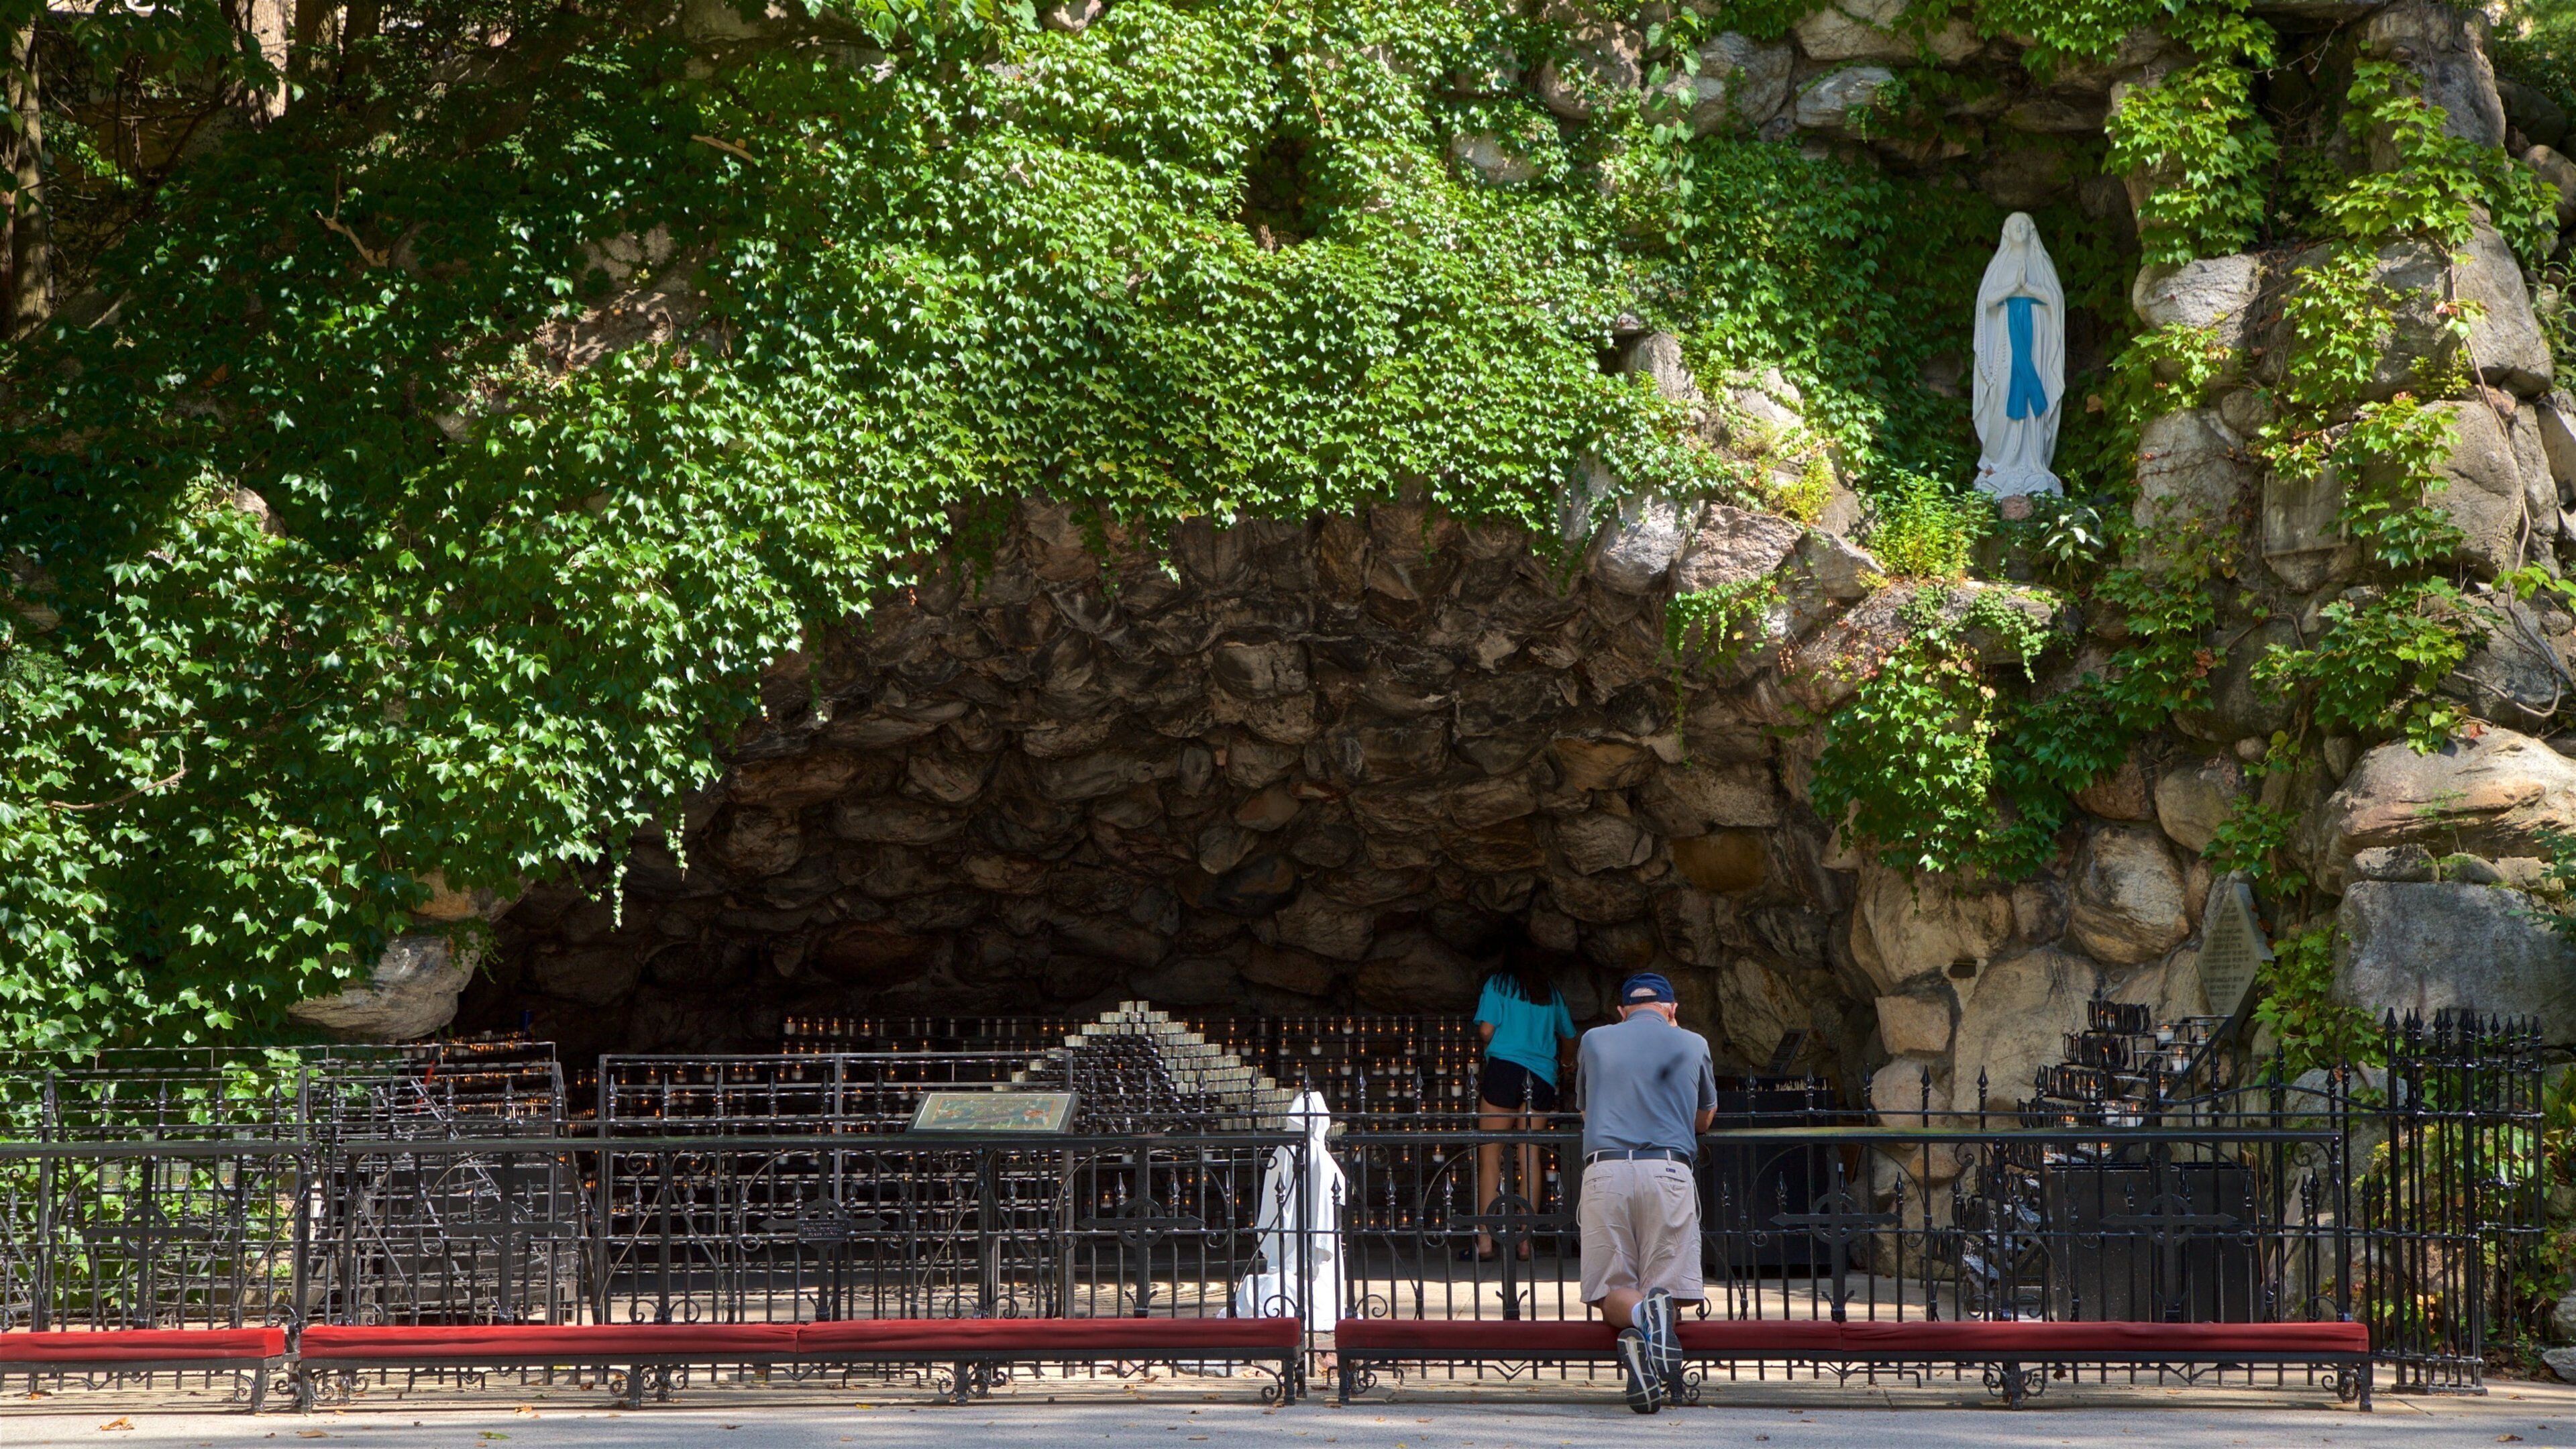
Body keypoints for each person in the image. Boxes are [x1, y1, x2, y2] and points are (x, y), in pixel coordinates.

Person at [1574, 972, 1716, 1415]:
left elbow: (1585, 1108)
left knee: (1610, 1290)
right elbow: (1704, 1119)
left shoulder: (1595, 1040)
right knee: (1667, 1288)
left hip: (1607, 1170)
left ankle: (1639, 1322)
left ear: (1622, 1011)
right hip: (1667, 1170)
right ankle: (1655, 1320)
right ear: (1672, 1009)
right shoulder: (1693, 1043)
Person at [1468, 945, 1578, 1262]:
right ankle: (1524, 1240)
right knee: (1530, 1156)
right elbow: (1569, 1035)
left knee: (1490, 1154)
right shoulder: (1550, 992)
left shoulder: (1498, 985)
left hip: (1504, 1070)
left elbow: (1487, 1030)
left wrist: (1496, 1035)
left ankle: (1486, 1240)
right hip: (1541, 1075)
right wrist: (1567, 1062)